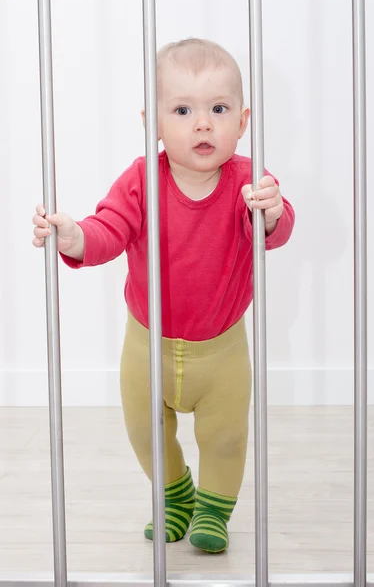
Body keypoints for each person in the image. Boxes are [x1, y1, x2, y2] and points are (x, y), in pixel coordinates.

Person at [32, 38, 295, 554]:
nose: (202, 123)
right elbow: (109, 228)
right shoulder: (140, 180)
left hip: (221, 352)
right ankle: (175, 495)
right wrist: (75, 237)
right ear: (153, 122)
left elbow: (279, 230)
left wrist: (272, 211)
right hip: (146, 344)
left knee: (225, 438)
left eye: (218, 110)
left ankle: (214, 512)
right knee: (145, 430)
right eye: (182, 110)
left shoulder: (250, 182)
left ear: (242, 122)